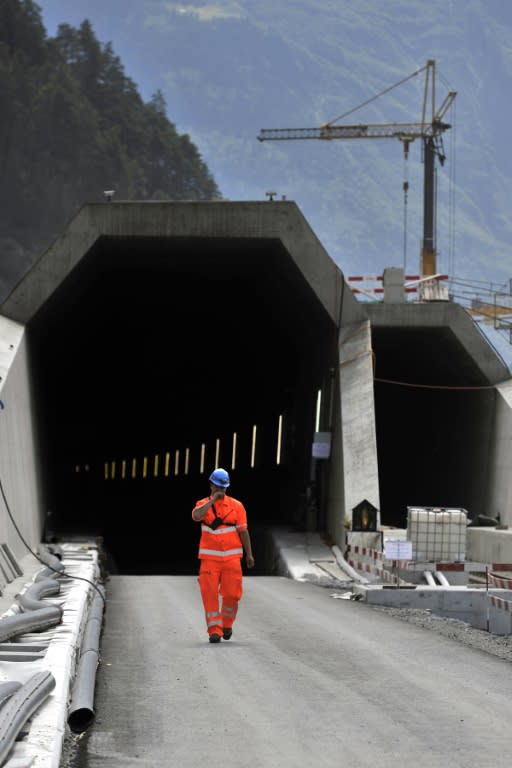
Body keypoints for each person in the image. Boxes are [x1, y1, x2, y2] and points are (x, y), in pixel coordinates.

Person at [192, 468, 255, 643]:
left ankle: (227, 624)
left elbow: (243, 531)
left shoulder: (237, 506)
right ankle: (214, 630)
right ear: (211, 485)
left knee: (232, 595)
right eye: (217, 486)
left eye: (223, 487)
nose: (220, 490)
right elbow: (196, 516)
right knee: (209, 594)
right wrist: (211, 501)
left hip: (232, 560)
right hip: (209, 560)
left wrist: (249, 554)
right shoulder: (203, 504)